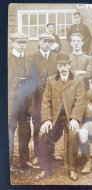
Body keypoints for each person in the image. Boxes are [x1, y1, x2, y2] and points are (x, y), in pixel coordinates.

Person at [35, 53, 85, 181]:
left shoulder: (78, 80)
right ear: (57, 67)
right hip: (55, 118)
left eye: (65, 65)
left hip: (70, 117)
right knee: (43, 134)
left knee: (73, 134)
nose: (63, 68)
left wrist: (75, 118)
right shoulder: (51, 80)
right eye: (60, 65)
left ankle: (72, 168)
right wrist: (47, 120)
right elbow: (46, 101)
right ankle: (45, 169)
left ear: (69, 65)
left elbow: (80, 101)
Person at [8, 32, 35, 171]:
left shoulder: (29, 61)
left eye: (23, 43)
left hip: (25, 102)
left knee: (25, 132)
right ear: (13, 43)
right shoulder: (7, 59)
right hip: (11, 102)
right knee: (9, 132)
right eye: (19, 43)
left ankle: (25, 161)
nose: (21, 45)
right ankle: (8, 163)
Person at [31, 33, 59, 164]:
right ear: (40, 42)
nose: (47, 44)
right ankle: (37, 154)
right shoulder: (33, 58)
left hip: (52, 97)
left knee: (51, 124)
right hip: (37, 97)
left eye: (49, 42)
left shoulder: (55, 57)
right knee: (38, 125)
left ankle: (50, 152)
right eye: (44, 41)